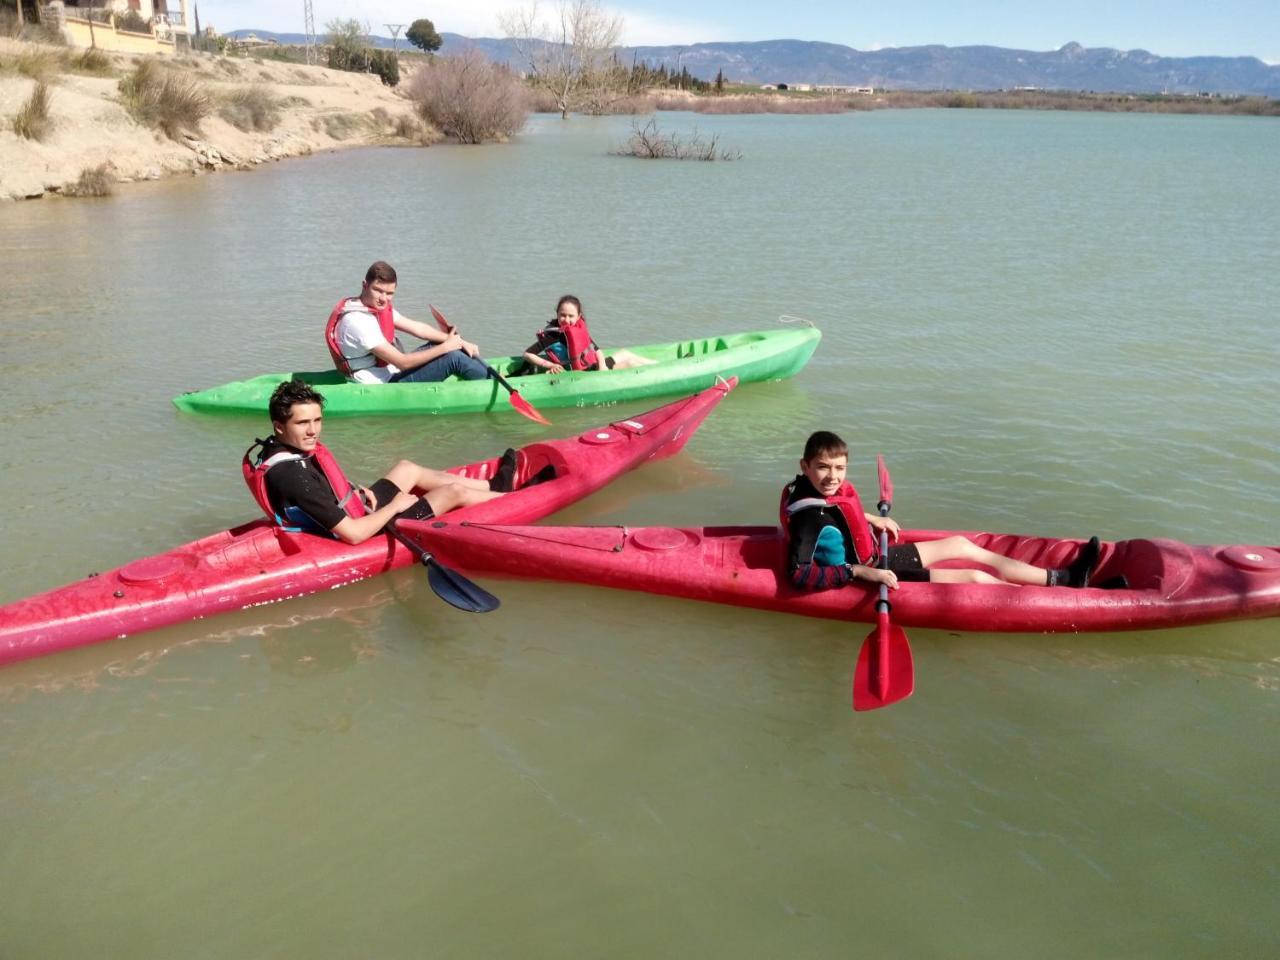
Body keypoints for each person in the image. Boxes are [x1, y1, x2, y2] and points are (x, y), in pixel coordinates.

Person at [783, 431, 1100, 591]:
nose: (833, 477)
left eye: (840, 468)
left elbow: (835, 511)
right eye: (823, 468)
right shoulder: (808, 518)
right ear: (805, 466)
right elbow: (798, 574)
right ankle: (1058, 599)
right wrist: (862, 572)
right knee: (974, 578)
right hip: (870, 575)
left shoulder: (814, 491)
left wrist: (871, 517)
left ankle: (1063, 578)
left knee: (962, 545)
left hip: (875, 557)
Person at [243, 380, 519, 545]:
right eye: (303, 423)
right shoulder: (293, 476)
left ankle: (493, 484)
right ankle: (513, 498)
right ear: (279, 426)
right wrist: (396, 506)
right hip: (363, 530)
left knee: (407, 468)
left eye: (317, 420)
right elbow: (353, 535)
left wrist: (353, 492)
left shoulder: (277, 449)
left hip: (352, 509)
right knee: (452, 493)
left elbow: (321, 487)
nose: (313, 430)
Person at [325, 261, 490, 384]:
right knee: (454, 358)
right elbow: (402, 363)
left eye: (389, 293)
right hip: (381, 384)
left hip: (388, 370)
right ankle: (493, 384)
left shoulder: (372, 307)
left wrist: (459, 341)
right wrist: (447, 347)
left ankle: (485, 374)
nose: (383, 299)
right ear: (364, 285)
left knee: (439, 342)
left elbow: (418, 329)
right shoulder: (358, 322)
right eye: (378, 290)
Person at [521, 295, 656, 374]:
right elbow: (527, 354)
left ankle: (659, 365)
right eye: (562, 315)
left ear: (579, 316)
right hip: (586, 372)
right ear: (557, 314)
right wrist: (549, 365)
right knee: (631, 363)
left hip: (595, 366)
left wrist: (602, 366)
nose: (566, 320)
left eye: (571, 316)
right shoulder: (553, 335)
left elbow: (595, 349)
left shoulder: (577, 329)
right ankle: (658, 372)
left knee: (625, 353)